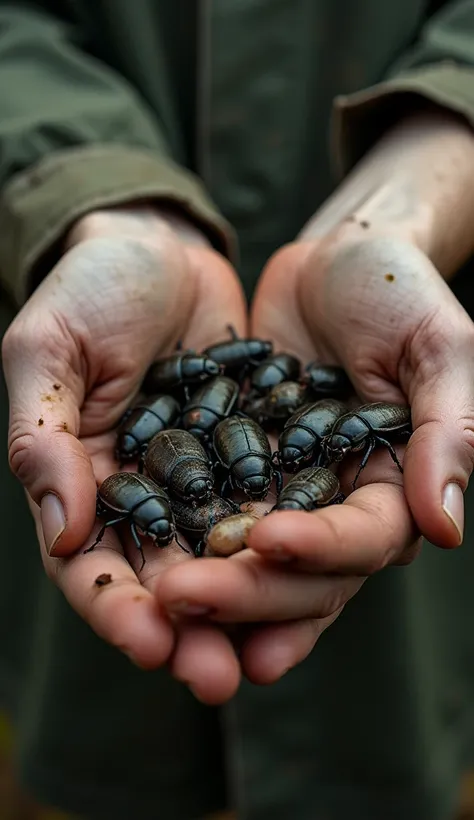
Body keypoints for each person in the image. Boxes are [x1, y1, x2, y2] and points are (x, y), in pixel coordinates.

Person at [1, 1, 474, 819]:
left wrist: (417, 190)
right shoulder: (190, 451)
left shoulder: (242, 445)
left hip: (377, 547)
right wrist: (95, 202)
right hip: (131, 402)